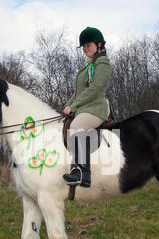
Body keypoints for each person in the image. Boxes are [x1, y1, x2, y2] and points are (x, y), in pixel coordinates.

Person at [63, 27, 112, 187]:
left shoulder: (103, 63)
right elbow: (79, 92)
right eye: (83, 47)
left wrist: (75, 105)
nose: (85, 49)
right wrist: (69, 104)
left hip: (96, 108)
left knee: (76, 126)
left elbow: (95, 89)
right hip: (84, 108)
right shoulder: (88, 66)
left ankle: (84, 174)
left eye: (88, 46)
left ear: (99, 44)